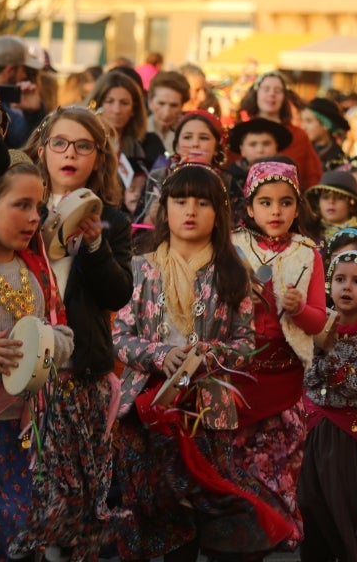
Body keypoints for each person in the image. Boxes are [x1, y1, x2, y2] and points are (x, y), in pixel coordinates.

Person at [112, 164, 291, 561]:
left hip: (206, 412)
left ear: (218, 213)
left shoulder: (233, 272)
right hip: (148, 410)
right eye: (180, 201)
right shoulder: (141, 268)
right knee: (155, 508)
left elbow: (246, 342)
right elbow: (119, 337)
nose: (190, 210)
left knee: (199, 507)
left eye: (202, 202)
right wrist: (161, 354)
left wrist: (209, 354)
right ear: (165, 209)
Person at [9, 108, 133, 561]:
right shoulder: (16, 207)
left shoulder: (113, 221)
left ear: (98, 157)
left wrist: (96, 245)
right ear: (41, 148)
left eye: (83, 146)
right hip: (20, 373)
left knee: (77, 503)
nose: (70, 154)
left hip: (79, 376)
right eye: (59, 143)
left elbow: (117, 295)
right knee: (29, 498)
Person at [230, 160, 329, 557]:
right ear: (249, 208)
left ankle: (266, 538)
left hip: (285, 379)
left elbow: (319, 321)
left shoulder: (308, 254)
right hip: (239, 377)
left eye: (286, 203)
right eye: (266, 202)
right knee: (238, 469)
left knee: (276, 469)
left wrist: (298, 308)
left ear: (297, 208)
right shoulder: (233, 247)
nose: (276, 211)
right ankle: (239, 541)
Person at [0, 158, 74, 561]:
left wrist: (45, 341)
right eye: (20, 205)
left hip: (29, 433)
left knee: (24, 535)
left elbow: (67, 336)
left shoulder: (36, 268)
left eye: (38, 207)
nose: (33, 218)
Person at [298, 250, 357, 562]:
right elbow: (306, 377)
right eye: (339, 279)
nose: (346, 287)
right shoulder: (312, 326)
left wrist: (329, 349)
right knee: (310, 505)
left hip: (352, 437)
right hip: (313, 431)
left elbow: (354, 385)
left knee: (347, 509)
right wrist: (326, 355)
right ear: (328, 285)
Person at [236, 71, 322, 190]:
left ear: (284, 97)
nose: (272, 94)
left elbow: (312, 176)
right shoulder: (241, 132)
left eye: (278, 91)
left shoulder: (299, 136)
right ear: (256, 94)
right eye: (266, 89)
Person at [86, 70, 149, 181]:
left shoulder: (135, 148)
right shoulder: (84, 141)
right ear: (96, 105)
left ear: (134, 109)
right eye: (110, 101)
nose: (117, 110)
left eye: (124, 103)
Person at [142, 71, 191, 170]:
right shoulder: (138, 132)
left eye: (174, 105)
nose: (167, 113)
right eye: (161, 103)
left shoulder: (190, 135)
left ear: (182, 106)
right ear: (150, 101)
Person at [303, 170, 357, 243]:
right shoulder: (309, 233)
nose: (331, 202)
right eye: (325, 197)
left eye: (339, 198)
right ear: (318, 203)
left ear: (351, 206)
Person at [302, 97, 349, 169]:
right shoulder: (301, 151)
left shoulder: (338, 160)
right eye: (302, 121)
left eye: (309, 121)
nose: (303, 127)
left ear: (326, 124)